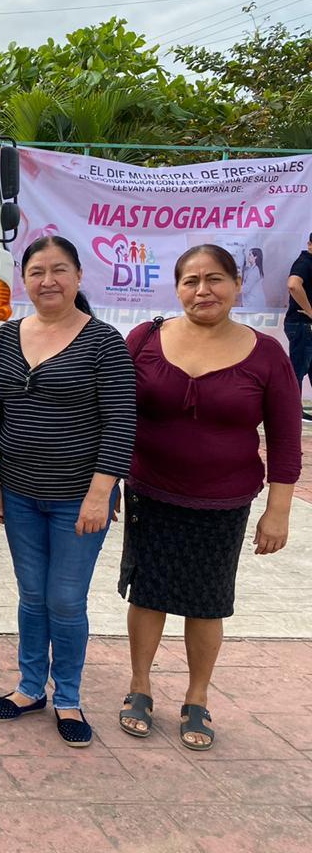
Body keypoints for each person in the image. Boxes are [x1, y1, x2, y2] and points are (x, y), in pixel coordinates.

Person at [118, 244, 301, 751]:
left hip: (222, 502)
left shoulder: (266, 354)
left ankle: (197, 697)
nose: (204, 290)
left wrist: (278, 510)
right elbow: (116, 419)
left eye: (216, 279)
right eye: (191, 281)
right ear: (177, 289)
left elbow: (285, 439)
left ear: (237, 285)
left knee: (207, 602)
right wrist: (104, 482)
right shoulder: (145, 340)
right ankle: (139, 685)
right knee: (148, 593)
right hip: (149, 493)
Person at [0, 236, 136, 747]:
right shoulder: (4, 338)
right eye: (37, 271)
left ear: (78, 277)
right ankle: (30, 688)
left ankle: (67, 696)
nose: (48, 280)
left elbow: (120, 422)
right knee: (31, 595)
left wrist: (101, 494)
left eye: (60, 270)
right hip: (20, 492)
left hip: (79, 496)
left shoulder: (103, 341)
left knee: (65, 600)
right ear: (24, 279)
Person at [284, 232, 312, 411]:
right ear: (310, 244)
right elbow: (293, 284)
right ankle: (292, 412)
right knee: (297, 371)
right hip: (302, 324)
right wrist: (311, 312)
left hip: (305, 325)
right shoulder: (305, 262)